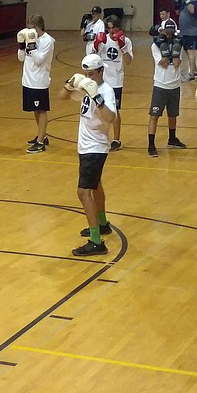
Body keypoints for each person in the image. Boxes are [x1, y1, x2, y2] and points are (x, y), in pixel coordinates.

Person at [65, 54, 118, 256]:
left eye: (92, 74)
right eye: (86, 74)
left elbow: (111, 118)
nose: (89, 77)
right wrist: (71, 84)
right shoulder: (85, 86)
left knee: (83, 192)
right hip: (86, 146)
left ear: (101, 71)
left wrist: (97, 97)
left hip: (95, 148)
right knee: (95, 185)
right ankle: (102, 223)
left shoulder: (106, 91)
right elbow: (63, 97)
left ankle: (96, 241)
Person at [147, 22, 187, 157]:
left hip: (174, 84)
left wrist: (171, 53)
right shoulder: (155, 46)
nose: (169, 32)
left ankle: (172, 139)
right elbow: (163, 63)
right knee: (154, 115)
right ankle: (151, 144)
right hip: (160, 84)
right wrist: (168, 53)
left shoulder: (178, 44)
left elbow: (176, 63)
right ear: (162, 30)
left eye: (171, 30)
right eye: (167, 30)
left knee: (173, 114)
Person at [94, 16, 133, 151]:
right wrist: (96, 45)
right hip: (101, 80)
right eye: (109, 28)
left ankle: (116, 139)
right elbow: (93, 57)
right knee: (99, 109)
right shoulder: (102, 39)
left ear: (118, 27)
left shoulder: (125, 41)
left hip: (116, 81)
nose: (111, 30)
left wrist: (122, 47)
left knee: (115, 111)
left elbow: (128, 61)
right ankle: (100, 137)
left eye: (113, 27)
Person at [19, 14, 55, 154]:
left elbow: (39, 60)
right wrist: (22, 45)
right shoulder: (29, 37)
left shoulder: (47, 41)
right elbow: (21, 58)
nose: (29, 29)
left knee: (41, 110)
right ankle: (42, 135)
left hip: (39, 81)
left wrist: (32, 44)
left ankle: (40, 142)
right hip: (27, 79)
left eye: (32, 26)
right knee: (35, 110)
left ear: (39, 26)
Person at [174, 0, 197, 80]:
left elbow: (192, 10)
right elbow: (178, 13)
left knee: (191, 52)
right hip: (184, 30)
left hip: (193, 31)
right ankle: (195, 71)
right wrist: (177, 5)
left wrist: (187, 0)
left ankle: (191, 74)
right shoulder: (183, 0)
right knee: (187, 51)